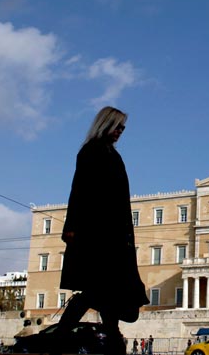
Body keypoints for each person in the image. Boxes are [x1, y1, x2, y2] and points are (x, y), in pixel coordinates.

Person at [56, 106, 149, 355]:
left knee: (110, 293)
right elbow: (78, 191)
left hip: (115, 234)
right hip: (98, 234)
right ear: (106, 124)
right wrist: (71, 227)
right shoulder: (91, 152)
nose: (120, 131)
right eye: (117, 126)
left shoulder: (112, 154)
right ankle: (71, 338)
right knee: (101, 291)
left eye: (123, 128)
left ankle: (108, 341)